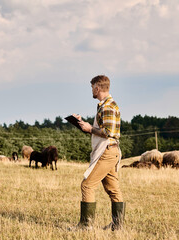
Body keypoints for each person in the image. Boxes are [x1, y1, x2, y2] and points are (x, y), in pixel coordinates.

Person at [71, 75, 125, 231]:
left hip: (106, 152)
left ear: (97, 88)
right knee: (113, 189)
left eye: (92, 87)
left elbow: (108, 132)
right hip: (110, 151)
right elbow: (103, 131)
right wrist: (84, 125)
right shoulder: (105, 105)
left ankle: (85, 225)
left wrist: (90, 128)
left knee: (87, 186)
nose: (91, 90)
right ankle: (117, 226)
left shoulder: (107, 106)